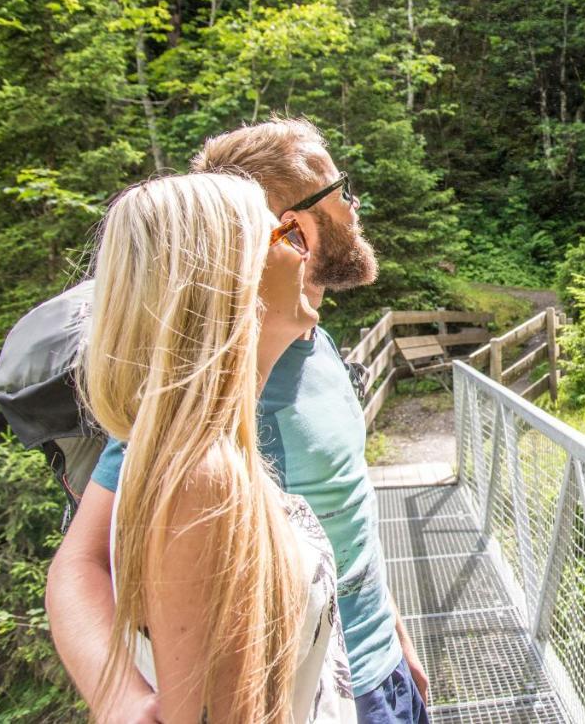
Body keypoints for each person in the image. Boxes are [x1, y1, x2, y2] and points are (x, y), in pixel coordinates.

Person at [47, 119, 428, 723]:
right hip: (320, 693)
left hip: (377, 664)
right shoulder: (203, 406)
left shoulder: (309, 335)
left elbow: (346, 515)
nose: (355, 207)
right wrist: (120, 695)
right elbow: (81, 560)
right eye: (341, 189)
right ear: (283, 224)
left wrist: (394, 632)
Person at [79, 172, 353, 721]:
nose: (306, 256)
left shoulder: (195, 451)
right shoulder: (203, 478)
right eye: (287, 239)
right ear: (228, 281)